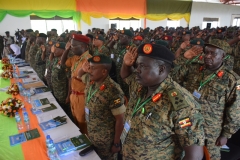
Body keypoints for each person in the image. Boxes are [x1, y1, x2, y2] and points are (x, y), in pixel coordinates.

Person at [120, 43, 205, 160]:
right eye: (137, 65)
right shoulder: (141, 85)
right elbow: (126, 76)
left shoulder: (180, 104)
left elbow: (194, 155)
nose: (137, 70)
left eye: (143, 66)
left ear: (161, 69)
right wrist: (126, 64)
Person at [174, 39, 240, 160]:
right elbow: (171, 77)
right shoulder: (193, 69)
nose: (208, 56)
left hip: (210, 131)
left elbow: (235, 111)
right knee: (183, 155)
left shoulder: (231, 80)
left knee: (210, 157)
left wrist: (226, 134)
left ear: (223, 56)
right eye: (206, 52)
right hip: (187, 126)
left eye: (213, 53)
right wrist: (184, 58)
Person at [78, 54, 125, 160]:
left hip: (106, 141)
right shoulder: (92, 81)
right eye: (89, 67)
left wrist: (116, 143)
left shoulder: (113, 90)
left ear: (104, 71)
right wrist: (83, 69)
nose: (89, 70)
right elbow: (78, 75)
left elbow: (120, 119)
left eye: (93, 68)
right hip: (92, 133)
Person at [61, 34, 92, 134]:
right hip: (73, 95)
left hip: (82, 97)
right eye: (71, 45)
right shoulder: (75, 58)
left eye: (73, 46)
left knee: (83, 124)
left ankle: (86, 144)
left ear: (83, 46)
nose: (71, 48)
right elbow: (63, 63)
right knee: (75, 122)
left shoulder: (89, 60)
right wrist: (66, 50)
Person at [50, 42, 69, 112]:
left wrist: (68, 95)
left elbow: (69, 79)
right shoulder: (56, 60)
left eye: (57, 49)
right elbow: (50, 60)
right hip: (56, 90)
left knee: (64, 111)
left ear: (63, 51)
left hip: (63, 93)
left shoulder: (66, 62)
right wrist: (52, 52)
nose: (54, 51)